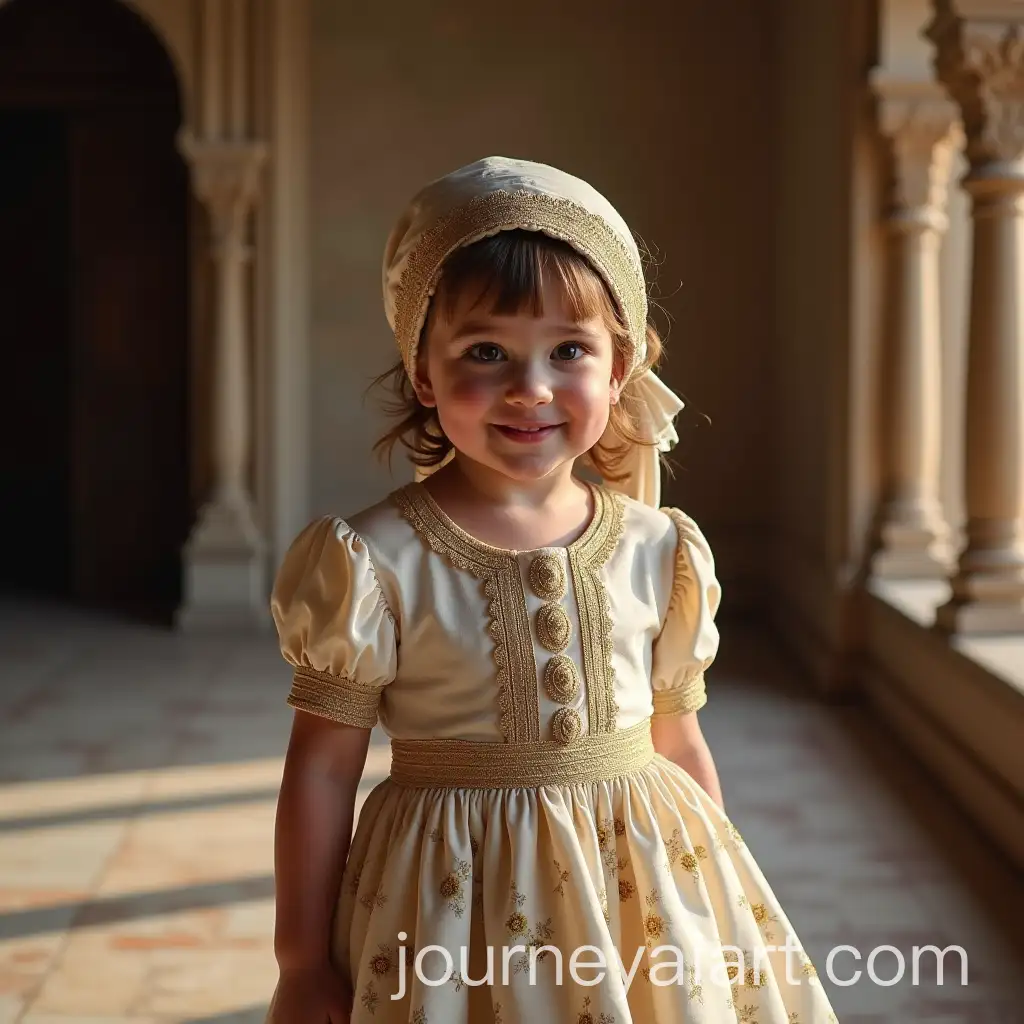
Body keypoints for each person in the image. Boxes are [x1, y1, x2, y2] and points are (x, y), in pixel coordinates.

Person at [264, 156, 840, 1023]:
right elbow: (320, 769)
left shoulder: (660, 548)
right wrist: (304, 962)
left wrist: (710, 917)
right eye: (485, 351)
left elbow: (677, 744)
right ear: (423, 372)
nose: (529, 388)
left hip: (635, 901)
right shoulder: (373, 560)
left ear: (619, 373)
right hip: (449, 911)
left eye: (568, 351)